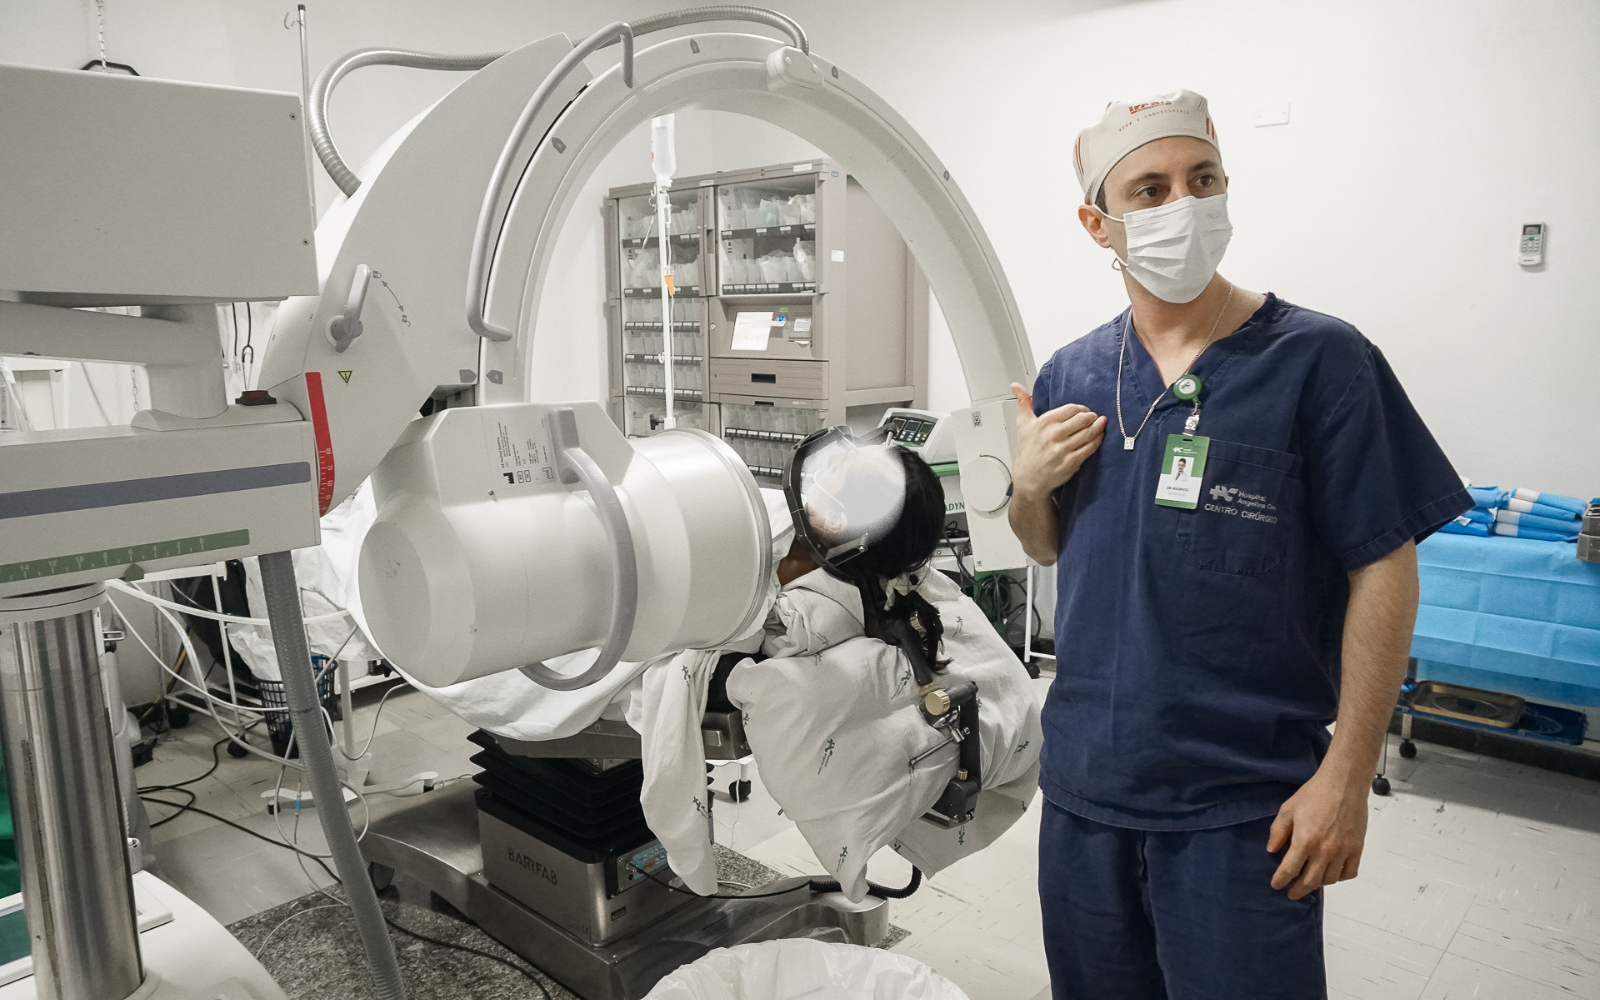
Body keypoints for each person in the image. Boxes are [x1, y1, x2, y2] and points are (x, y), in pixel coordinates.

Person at [1010, 90, 1470, 999]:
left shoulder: (1321, 362)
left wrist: (1348, 777)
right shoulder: (1072, 372)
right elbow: (1048, 546)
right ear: (1098, 224)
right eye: (1150, 189)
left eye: (1203, 179)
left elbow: (1384, 565)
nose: (1183, 204)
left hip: (1245, 805)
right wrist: (1026, 488)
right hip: (1086, 795)